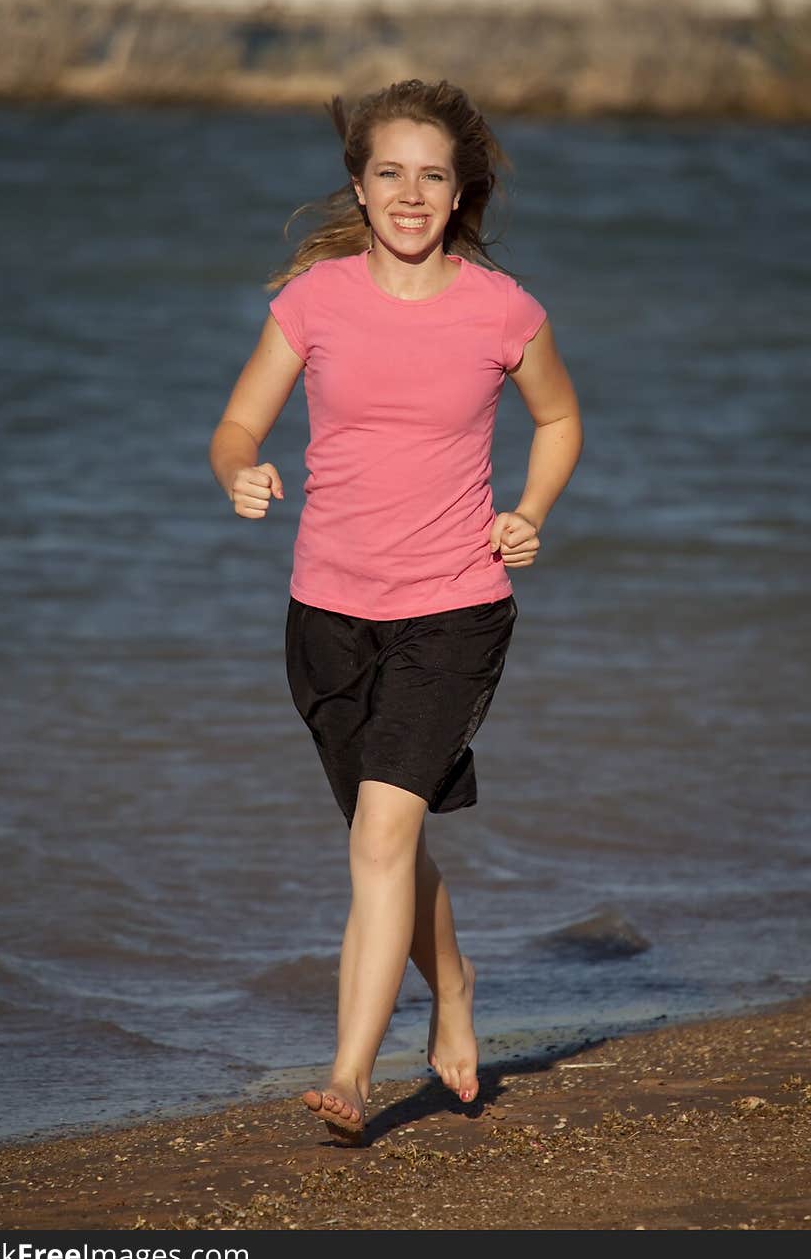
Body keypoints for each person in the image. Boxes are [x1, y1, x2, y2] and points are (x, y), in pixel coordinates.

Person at [209, 78, 583, 1146]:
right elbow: (236, 422)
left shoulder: (502, 309)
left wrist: (530, 509)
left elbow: (558, 419)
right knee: (392, 841)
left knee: (379, 835)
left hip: (453, 610)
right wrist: (240, 468)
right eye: (389, 173)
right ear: (360, 188)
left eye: (432, 175)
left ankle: (350, 1075)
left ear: (459, 191)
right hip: (325, 614)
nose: (410, 194)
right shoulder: (312, 300)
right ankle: (453, 986)